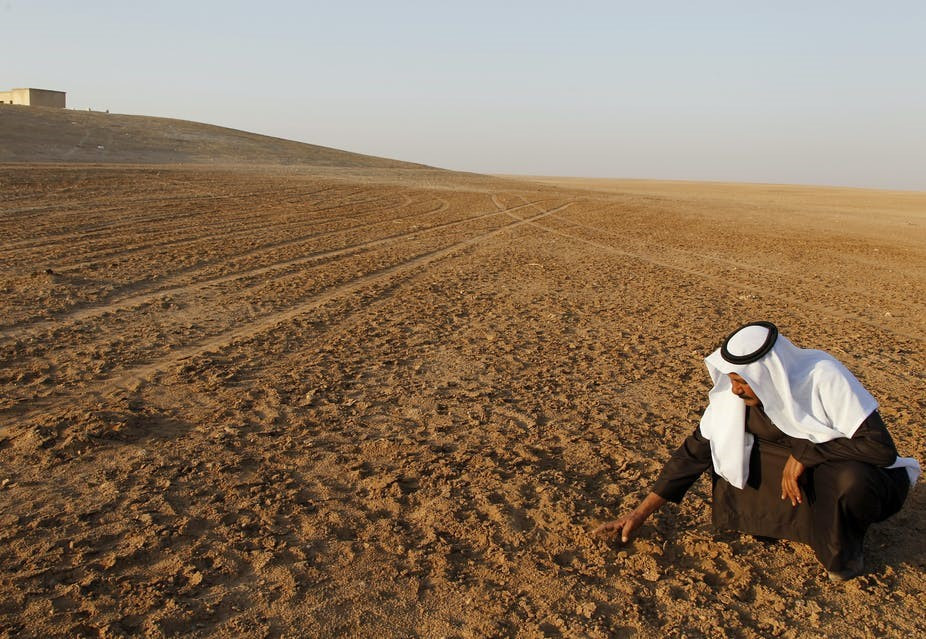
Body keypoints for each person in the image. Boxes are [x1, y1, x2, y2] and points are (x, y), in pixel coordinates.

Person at [594, 321, 920, 580]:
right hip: (805, 477)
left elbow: (879, 450)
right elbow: (692, 455)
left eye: (743, 381)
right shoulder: (734, 400)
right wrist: (638, 514)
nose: (735, 389)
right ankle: (785, 524)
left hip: (866, 479)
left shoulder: (822, 375)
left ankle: (845, 550)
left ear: (768, 376)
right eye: (732, 379)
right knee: (734, 446)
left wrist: (807, 453)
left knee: (853, 479)